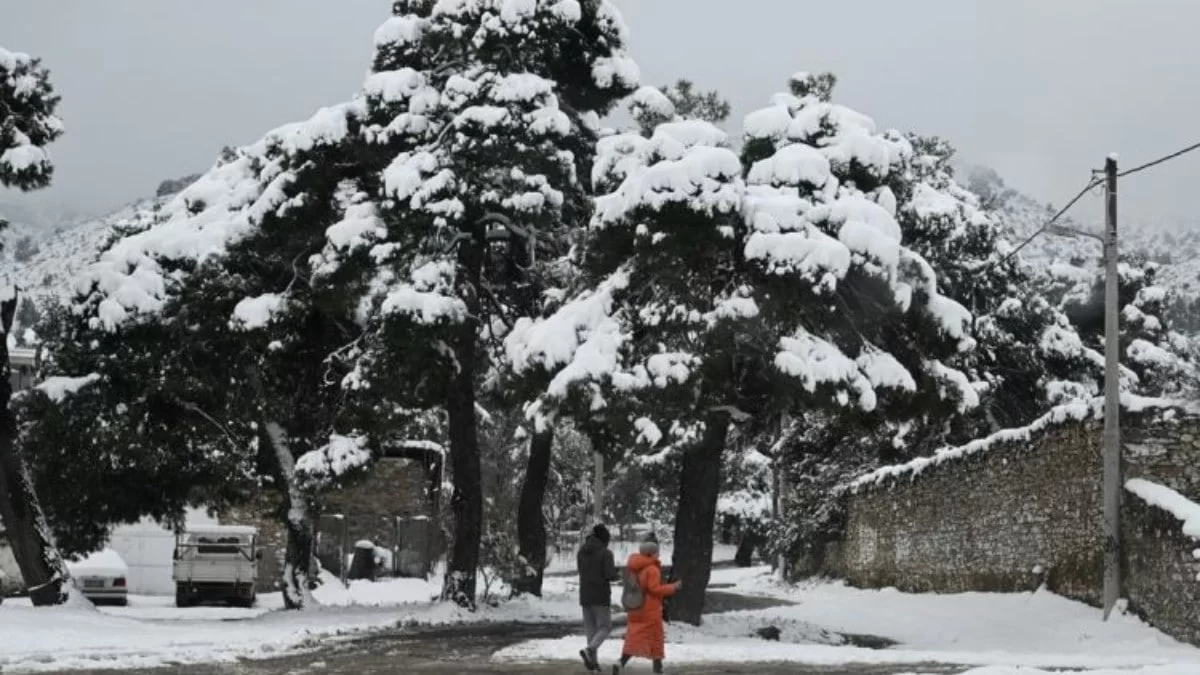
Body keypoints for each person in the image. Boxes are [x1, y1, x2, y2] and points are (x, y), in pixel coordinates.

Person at [613, 537, 681, 674]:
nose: (659, 555)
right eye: (657, 552)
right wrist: (672, 587)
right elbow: (654, 589)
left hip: (635, 607)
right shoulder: (652, 569)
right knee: (656, 638)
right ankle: (658, 670)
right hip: (650, 609)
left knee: (634, 637)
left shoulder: (633, 568)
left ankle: (621, 662)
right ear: (651, 554)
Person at [577, 524, 619, 672]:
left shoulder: (581, 551)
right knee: (605, 627)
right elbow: (609, 575)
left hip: (585, 595)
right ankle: (590, 651)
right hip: (600, 596)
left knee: (591, 631)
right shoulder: (606, 553)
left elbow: (581, 571)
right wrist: (617, 573)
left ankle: (593, 665)